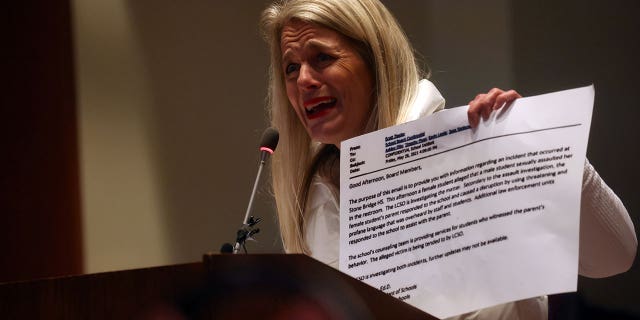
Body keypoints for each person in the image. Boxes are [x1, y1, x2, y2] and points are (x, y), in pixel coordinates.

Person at [259, 0, 637, 319]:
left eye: (322, 58)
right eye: (291, 67)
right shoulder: (312, 199)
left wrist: (540, 149)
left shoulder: (474, 153)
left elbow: (614, 257)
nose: (303, 80)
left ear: (376, 62)